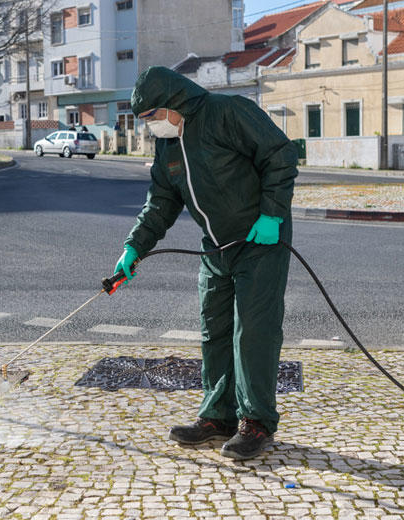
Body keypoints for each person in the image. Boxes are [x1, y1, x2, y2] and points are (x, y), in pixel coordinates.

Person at [113, 66, 297, 460]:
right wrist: (134, 249)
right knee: (214, 330)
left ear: (173, 104)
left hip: (259, 240)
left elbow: (280, 154)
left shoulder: (226, 112)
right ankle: (218, 417)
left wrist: (272, 213)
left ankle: (257, 422)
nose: (150, 126)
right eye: (143, 120)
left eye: (151, 117)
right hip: (216, 247)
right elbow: (161, 203)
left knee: (253, 331)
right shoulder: (168, 147)